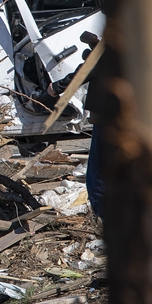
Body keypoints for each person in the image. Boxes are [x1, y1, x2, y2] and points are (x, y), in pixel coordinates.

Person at [41, 31, 109, 218]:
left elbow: (85, 71)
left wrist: (57, 87)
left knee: (97, 173)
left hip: (108, 119)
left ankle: (101, 216)